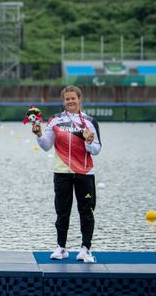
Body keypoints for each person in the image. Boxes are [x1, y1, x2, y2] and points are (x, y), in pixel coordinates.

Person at [31, 85, 102, 263]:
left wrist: (88, 141)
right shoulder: (55, 120)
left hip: (84, 173)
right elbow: (46, 145)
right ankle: (61, 248)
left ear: (79, 99)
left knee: (86, 212)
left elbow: (97, 150)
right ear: (64, 101)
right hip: (62, 171)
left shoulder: (90, 122)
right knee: (62, 212)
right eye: (67, 99)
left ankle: (85, 249)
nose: (70, 101)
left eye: (73, 98)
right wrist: (39, 134)